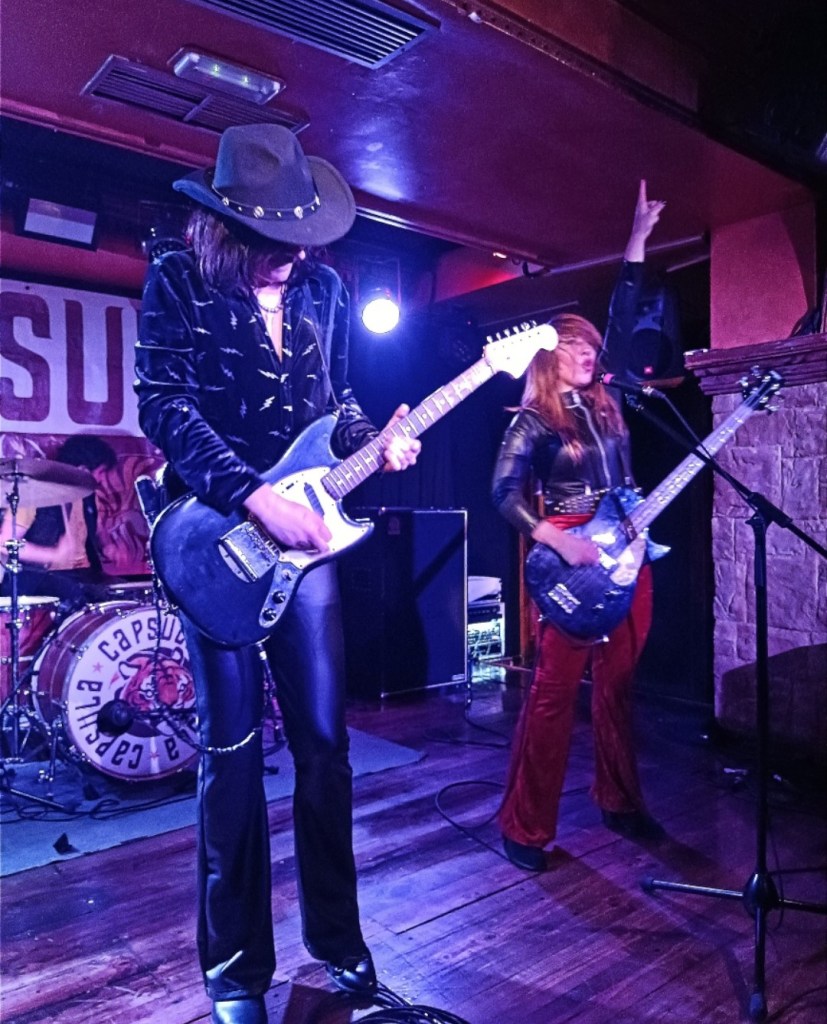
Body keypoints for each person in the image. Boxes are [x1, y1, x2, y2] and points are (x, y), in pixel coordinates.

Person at [134, 124, 421, 1024]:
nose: (291, 259)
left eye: (301, 242)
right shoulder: (178, 278)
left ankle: (338, 943)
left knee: (325, 749)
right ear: (226, 229)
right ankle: (234, 973)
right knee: (230, 758)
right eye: (271, 244)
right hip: (217, 539)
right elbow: (163, 406)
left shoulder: (324, 289)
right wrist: (254, 497)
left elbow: (336, 405)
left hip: (308, 549)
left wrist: (378, 440)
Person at [491, 180, 666, 872]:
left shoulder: (610, 403)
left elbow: (621, 321)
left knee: (619, 685)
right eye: (572, 345)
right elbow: (503, 493)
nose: (588, 351)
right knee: (554, 693)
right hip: (568, 552)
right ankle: (524, 826)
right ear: (546, 354)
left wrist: (636, 243)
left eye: (590, 345)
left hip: (627, 545)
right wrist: (554, 536)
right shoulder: (533, 420)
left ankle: (619, 800)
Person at [0, 435, 117, 611]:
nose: (102, 480)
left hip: (83, 574)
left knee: (121, 593)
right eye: (101, 473)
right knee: (73, 593)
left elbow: (95, 534)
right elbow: (5, 544)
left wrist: (109, 547)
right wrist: (53, 555)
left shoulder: (88, 497)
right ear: (83, 469)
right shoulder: (33, 495)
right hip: (39, 577)